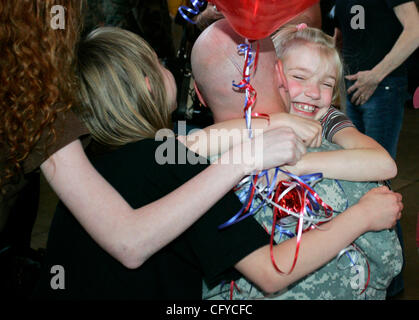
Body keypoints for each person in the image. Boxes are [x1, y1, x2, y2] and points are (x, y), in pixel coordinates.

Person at [35, 25, 402, 300]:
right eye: (159, 64)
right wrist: (361, 216)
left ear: (198, 92)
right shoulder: (186, 170)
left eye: (326, 83)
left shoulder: (84, 173)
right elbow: (271, 271)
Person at [0, 0, 304, 290]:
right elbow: (270, 270)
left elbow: (179, 147)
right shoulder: (172, 164)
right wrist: (246, 157)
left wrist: (267, 127)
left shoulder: (99, 158)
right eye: (158, 62)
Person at [190, 19, 402, 299]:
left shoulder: (326, 119)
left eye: (326, 83)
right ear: (278, 75)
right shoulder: (212, 145)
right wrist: (276, 121)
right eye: (299, 78)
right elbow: (386, 260)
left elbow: (385, 163)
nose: (312, 92)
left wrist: (299, 164)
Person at [334, 0, 419, 297]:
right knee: (359, 185)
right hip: (354, 88)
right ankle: (372, 272)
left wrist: (376, 74)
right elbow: (343, 34)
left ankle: (393, 282)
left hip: (382, 88)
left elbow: (416, 30)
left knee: (378, 182)